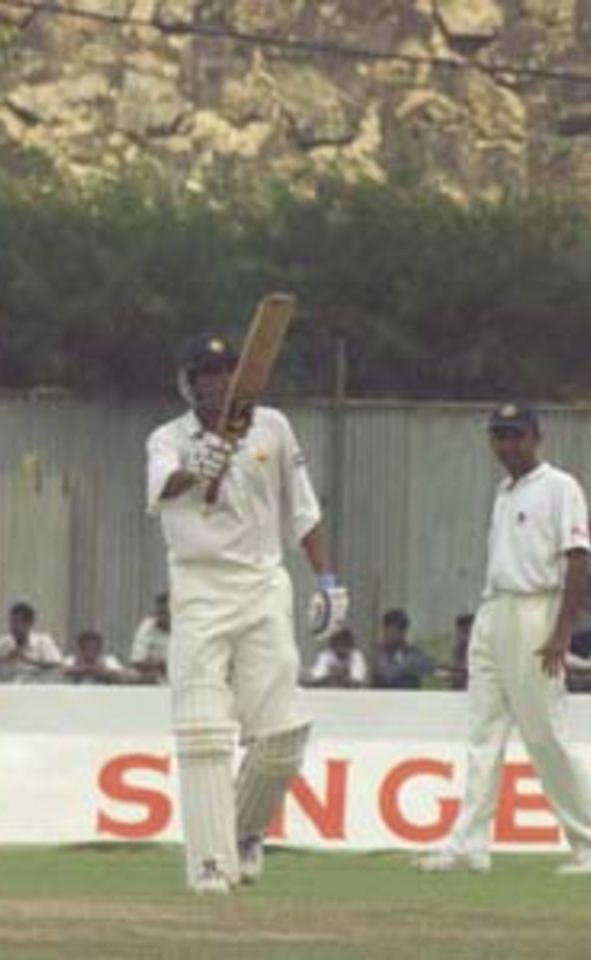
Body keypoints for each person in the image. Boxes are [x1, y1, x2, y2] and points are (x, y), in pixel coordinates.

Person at [145, 332, 345, 893]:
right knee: (204, 729)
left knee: (281, 737)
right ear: (189, 383)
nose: (213, 383)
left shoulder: (273, 427)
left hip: (262, 584)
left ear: (240, 378)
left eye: (222, 373)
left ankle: (244, 831)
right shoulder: (167, 438)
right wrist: (196, 467)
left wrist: (327, 579)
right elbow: (163, 489)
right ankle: (210, 865)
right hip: (199, 587)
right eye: (203, 374)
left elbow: (302, 512)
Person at [416, 404, 591, 876]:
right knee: (483, 732)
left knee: (545, 735)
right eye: (499, 436)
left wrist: (560, 633)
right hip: (494, 609)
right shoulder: (504, 491)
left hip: (535, 612)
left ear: (537, 437)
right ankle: (469, 843)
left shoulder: (560, 486)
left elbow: (577, 562)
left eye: (516, 436)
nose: (507, 446)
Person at [0, 602, 62, 683]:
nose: (12, 628)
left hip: (35, 692)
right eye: (11, 623)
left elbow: (56, 664)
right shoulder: (3, 642)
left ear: (29, 623)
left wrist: (27, 660)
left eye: (16, 623)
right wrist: (5, 658)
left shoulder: (43, 642)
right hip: (6, 692)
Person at [372, 609, 436, 690]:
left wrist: (407, 662)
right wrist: (407, 665)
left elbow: (430, 667)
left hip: (408, 698)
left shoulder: (411, 650)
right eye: (390, 630)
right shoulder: (379, 651)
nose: (392, 635)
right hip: (384, 698)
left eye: (397, 631)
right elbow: (388, 675)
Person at [129, 591, 171, 684]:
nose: (161, 616)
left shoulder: (184, 629)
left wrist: (156, 663)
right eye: (159, 612)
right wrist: (162, 665)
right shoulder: (147, 626)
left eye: (165, 613)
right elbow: (136, 662)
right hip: (153, 680)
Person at [60, 629, 127, 685]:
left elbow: (125, 674)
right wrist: (84, 669)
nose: (90, 649)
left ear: (99, 647)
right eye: (87, 647)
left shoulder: (108, 660)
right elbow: (61, 671)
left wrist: (104, 671)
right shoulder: (71, 659)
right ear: (80, 647)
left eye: (93, 647)